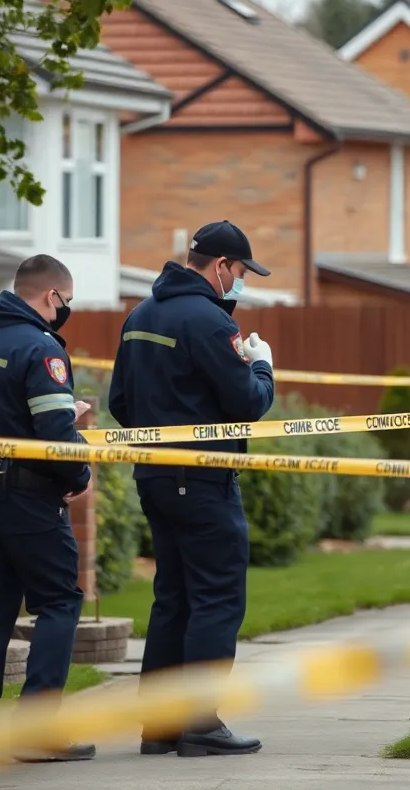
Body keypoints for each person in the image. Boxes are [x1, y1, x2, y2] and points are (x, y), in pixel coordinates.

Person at [108, 220, 276, 758]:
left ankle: (158, 727)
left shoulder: (140, 315)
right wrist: (262, 367)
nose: (239, 283)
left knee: (172, 599)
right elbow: (247, 403)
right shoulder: (208, 321)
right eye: (240, 272)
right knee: (216, 599)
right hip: (203, 481)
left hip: (154, 478)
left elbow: (120, 402)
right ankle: (201, 722)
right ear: (221, 266)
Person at [0, 254, 96, 762]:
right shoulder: (42, 347)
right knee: (59, 602)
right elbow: (54, 432)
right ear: (52, 295)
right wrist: (79, 475)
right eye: (67, 302)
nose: (65, 311)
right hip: (30, 500)